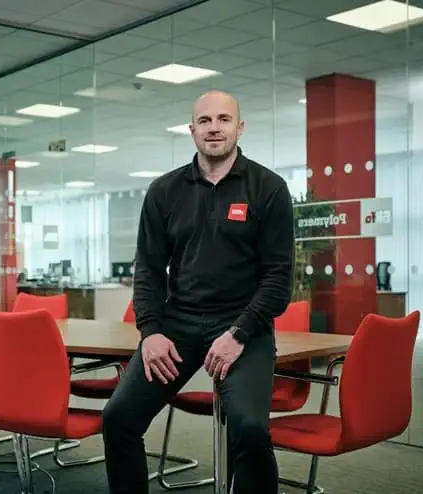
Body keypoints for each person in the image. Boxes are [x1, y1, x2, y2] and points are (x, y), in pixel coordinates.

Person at [102, 90, 295, 493]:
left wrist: (239, 334)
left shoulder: (269, 189)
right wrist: (151, 331)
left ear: (239, 127)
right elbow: (149, 271)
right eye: (205, 121)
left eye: (223, 119)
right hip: (178, 326)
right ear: (192, 130)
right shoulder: (163, 192)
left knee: (249, 428)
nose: (214, 128)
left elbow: (278, 278)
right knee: (119, 418)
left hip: (244, 326)